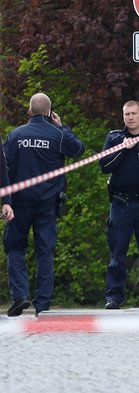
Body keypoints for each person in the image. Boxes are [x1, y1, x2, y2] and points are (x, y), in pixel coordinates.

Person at [3, 93, 85, 317]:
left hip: (18, 203)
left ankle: (20, 295)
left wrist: (5, 202)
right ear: (49, 113)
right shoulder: (57, 135)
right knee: (45, 252)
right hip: (47, 205)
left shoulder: (14, 135)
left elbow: (4, 169)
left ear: (29, 111)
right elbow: (79, 150)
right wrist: (63, 126)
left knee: (15, 248)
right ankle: (43, 303)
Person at [100, 101, 139, 310]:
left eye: (133, 113)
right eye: (126, 114)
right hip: (121, 203)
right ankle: (114, 297)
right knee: (117, 253)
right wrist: (124, 148)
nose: (130, 117)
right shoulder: (114, 138)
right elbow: (104, 167)